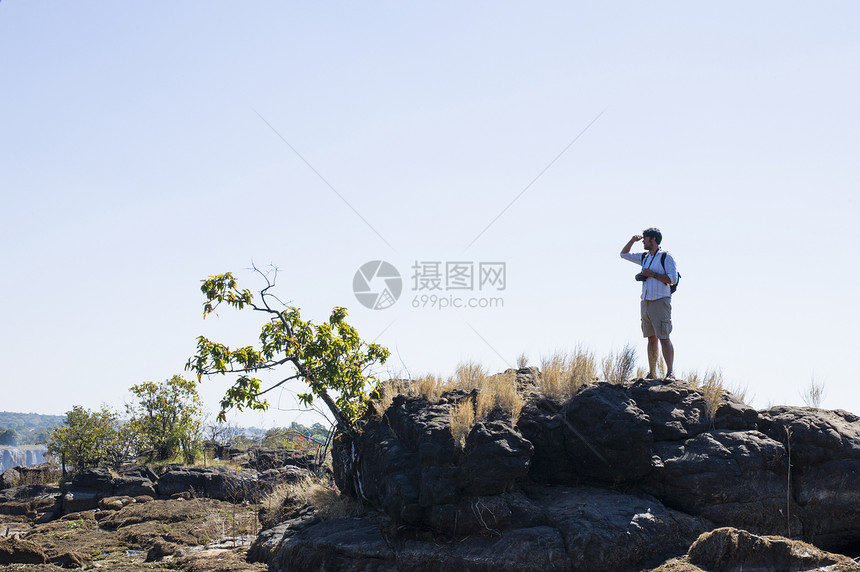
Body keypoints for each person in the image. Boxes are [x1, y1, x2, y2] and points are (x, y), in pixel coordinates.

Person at [620, 228, 678, 381]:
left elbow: (672, 279)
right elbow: (623, 254)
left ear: (653, 239)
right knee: (651, 338)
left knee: (664, 337)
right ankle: (652, 373)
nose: (643, 241)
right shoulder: (645, 257)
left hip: (660, 300)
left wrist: (652, 274)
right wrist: (632, 240)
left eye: (645, 239)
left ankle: (670, 372)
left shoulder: (666, 257)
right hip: (646, 301)